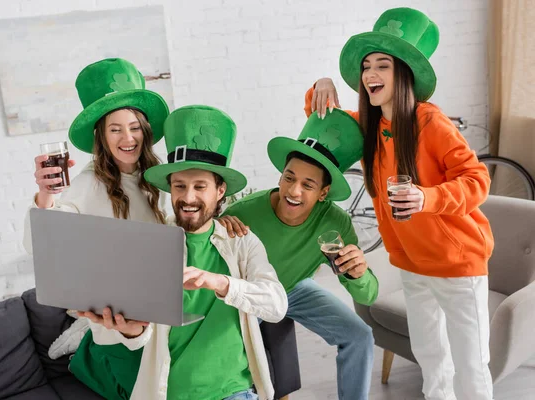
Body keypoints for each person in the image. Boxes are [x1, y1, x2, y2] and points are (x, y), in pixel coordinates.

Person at [306, 7, 494, 400]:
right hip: (412, 262)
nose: (370, 75)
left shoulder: (430, 123)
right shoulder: (368, 126)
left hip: (457, 264)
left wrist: (428, 197)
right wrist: (321, 83)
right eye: (366, 66)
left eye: (383, 66)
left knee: (470, 362)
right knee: (430, 355)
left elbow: (478, 180)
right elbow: (322, 115)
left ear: (403, 74)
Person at [76, 105, 287, 400]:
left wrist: (219, 282)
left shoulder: (241, 241)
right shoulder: (153, 242)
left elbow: (277, 306)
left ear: (220, 191)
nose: (188, 198)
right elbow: (142, 341)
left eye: (200, 186)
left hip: (233, 392)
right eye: (180, 186)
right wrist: (131, 331)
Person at [22, 58, 169, 384]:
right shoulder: (88, 183)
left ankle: (82, 340)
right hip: (120, 324)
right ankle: (86, 349)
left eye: (133, 127)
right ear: (100, 135)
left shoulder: (161, 178)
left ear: (145, 129)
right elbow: (40, 243)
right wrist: (46, 194)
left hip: (163, 315)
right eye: (115, 129)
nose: (127, 138)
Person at [219, 108, 378, 400]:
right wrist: (218, 225)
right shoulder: (243, 213)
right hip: (252, 297)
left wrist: (359, 272)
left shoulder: (335, 222)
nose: (293, 190)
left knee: (360, 336)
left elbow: (367, 295)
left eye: (308, 185)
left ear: (323, 193)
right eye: (289, 178)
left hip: (295, 289)